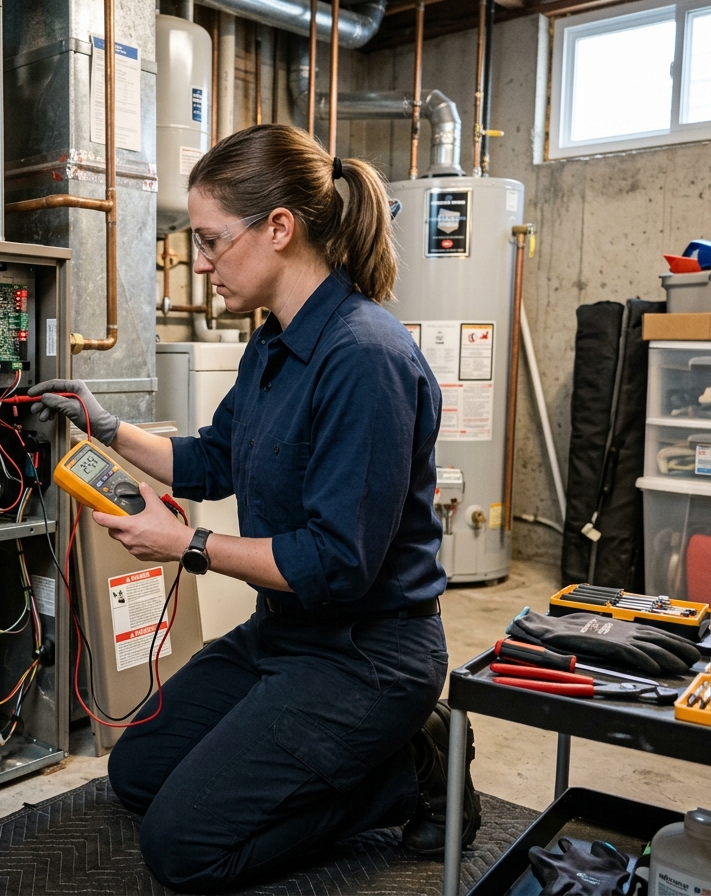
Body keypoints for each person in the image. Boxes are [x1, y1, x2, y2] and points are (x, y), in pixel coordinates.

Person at [28, 123, 480, 892]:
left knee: (183, 850)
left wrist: (187, 547)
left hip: (366, 656)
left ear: (279, 228)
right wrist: (107, 428)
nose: (200, 264)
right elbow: (216, 459)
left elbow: (336, 564)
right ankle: (367, 758)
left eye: (210, 241)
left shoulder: (363, 358)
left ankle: (409, 773)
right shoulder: (271, 344)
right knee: (137, 773)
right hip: (284, 634)